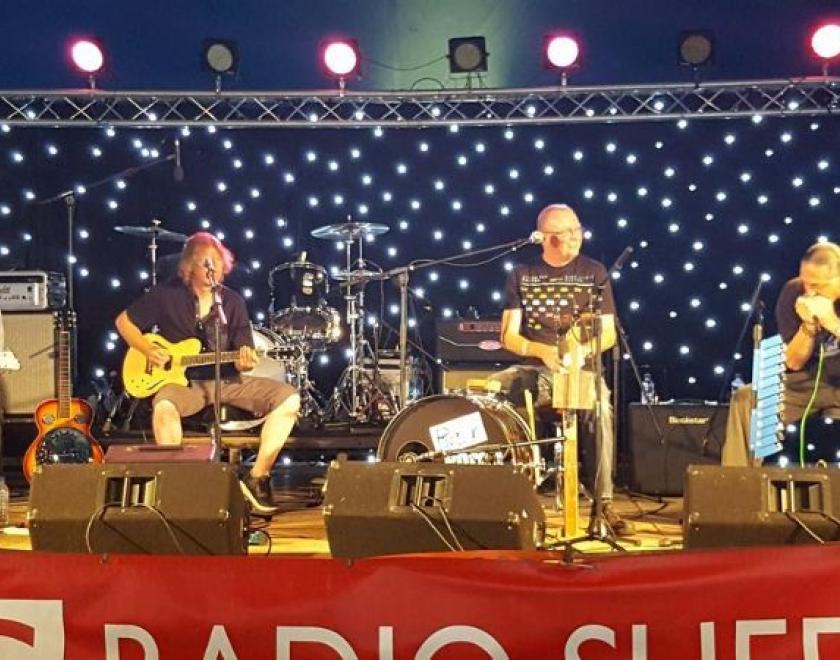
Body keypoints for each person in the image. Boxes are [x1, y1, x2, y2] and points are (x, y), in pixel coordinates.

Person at [115, 232, 300, 515]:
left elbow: (244, 354)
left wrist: (245, 362)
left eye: (216, 263)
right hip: (185, 384)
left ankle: (258, 477)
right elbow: (123, 322)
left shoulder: (232, 302)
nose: (211, 270)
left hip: (226, 380)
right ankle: (176, 485)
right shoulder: (165, 294)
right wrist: (147, 349)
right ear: (188, 266)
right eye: (204, 264)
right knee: (163, 406)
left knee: (289, 399)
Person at [490, 204, 633, 536]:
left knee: (600, 405)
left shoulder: (595, 272)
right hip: (536, 370)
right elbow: (508, 335)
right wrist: (542, 351)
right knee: (495, 393)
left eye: (578, 229)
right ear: (547, 238)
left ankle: (603, 503)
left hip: (580, 371)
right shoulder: (522, 273)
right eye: (568, 233)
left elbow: (609, 333)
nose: (576, 237)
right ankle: (513, 498)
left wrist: (583, 350)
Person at [722, 242, 840, 466]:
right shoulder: (793, 292)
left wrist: (832, 323)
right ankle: (741, 487)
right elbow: (793, 363)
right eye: (806, 281)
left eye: (817, 285)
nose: (809, 291)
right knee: (747, 398)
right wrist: (807, 327)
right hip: (805, 383)